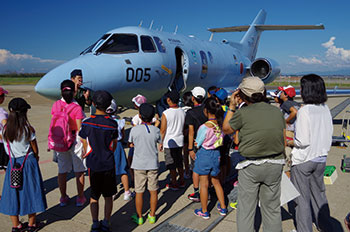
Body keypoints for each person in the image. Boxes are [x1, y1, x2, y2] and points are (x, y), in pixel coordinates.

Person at [223, 76, 285, 232]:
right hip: (275, 163)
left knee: (246, 209)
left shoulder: (243, 113)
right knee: (272, 209)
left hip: (250, 165)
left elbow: (226, 129)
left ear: (242, 94)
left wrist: (231, 105)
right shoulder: (276, 112)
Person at [290, 74, 333, 232]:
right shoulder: (324, 108)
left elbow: (302, 141)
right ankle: (325, 226)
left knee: (301, 200)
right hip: (320, 158)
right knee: (319, 196)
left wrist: (289, 142)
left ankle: (304, 229)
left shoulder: (304, 110)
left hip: (304, 160)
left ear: (306, 90)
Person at [0, 98, 47, 232]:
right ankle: (32, 224)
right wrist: (36, 157)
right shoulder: (27, 129)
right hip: (28, 163)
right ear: (24, 112)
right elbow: (35, 148)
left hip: (13, 163)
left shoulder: (5, 130)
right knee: (31, 191)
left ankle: (16, 225)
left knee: (12, 193)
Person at [79, 90, 118, 232]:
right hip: (108, 164)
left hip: (93, 164)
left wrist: (87, 151)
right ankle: (106, 222)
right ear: (108, 105)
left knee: (94, 197)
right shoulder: (112, 124)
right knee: (108, 196)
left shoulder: (87, 123)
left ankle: (95, 222)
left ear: (93, 104)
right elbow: (114, 145)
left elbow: (84, 141)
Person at [51, 80, 87, 207]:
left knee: (62, 171)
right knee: (79, 170)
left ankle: (63, 197)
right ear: (74, 91)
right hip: (74, 140)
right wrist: (85, 145)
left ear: (61, 90)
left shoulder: (55, 105)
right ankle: (80, 197)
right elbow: (79, 129)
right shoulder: (76, 107)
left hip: (60, 141)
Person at [193, 97, 227, 219]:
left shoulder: (204, 127)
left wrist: (194, 144)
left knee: (204, 184)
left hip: (205, 154)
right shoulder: (220, 125)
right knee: (216, 182)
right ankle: (223, 207)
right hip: (216, 154)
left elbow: (199, 142)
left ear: (206, 110)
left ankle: (204, 210)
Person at [129, 103, 161, 225]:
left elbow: (130, 143)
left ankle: (139, 216)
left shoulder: (134, 130)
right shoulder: (156, 130)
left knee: (139, 191)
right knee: (153, 191)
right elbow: (159, 141)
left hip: (139, 165)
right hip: (152, 164)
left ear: (140, 116)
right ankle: (152, 215)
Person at [106, 100, 134, 201]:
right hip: (117, 145)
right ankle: (127, 192)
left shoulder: (104, 122)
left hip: (107, 147)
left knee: (110, 170)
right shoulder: (120, 122)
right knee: (123, 169)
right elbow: (122, 136)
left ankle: (112, 192)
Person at [160, 90, 186, 190]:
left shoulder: (166, 113)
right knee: (179, 161)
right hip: (179, 140)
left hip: (169, 142)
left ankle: (174, 182)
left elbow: (163, 130)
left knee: (171, 164)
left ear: (169, 100)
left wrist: (161, 142)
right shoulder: (182, 111)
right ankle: (182, 180)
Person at [186, 87, 207, 201]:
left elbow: (191, 132)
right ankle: (207, 189)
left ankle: (196, 192)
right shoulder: (207, 109)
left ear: (193, 98)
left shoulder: (190, 113)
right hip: (208, 142)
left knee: (195, 169)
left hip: (196, 143)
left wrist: (190, 149)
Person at [181, 91, 194, 179]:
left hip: (185, 134)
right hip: (193, 134)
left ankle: (187, 171)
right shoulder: (194, 110)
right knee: (193, 154)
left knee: (185, 154)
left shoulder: (182, 110)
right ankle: (193, 170)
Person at [0, 87, 9, 170]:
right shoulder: (2, 112)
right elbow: (5, 125)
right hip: (2, 144)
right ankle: (9, 183)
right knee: (7, 167)